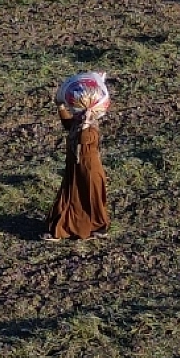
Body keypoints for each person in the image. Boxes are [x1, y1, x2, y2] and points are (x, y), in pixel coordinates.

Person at [45, 73, 110, 240]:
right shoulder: (77, 123)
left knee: (90, 198)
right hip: (74, 167)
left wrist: (87, 120)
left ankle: (98, 226)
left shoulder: (91, 129)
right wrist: (60, 107)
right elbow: (68, 125)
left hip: (89, 169)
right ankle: (61, 227)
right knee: (69, 197)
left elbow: (84, 139)